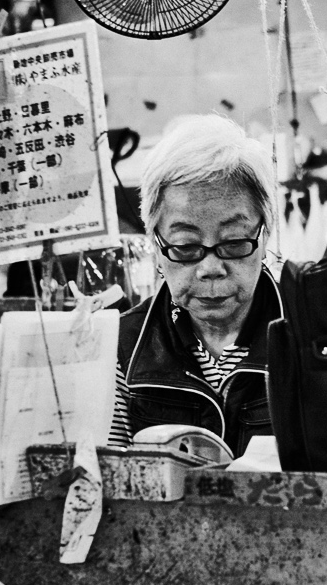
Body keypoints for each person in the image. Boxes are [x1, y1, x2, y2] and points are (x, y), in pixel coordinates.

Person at [111, 115, 282, 456]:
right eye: (186, 246)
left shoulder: (313, 341)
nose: (211, 268)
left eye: (233, 241)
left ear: (263, 238)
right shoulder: (121, 349)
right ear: (157, 247)